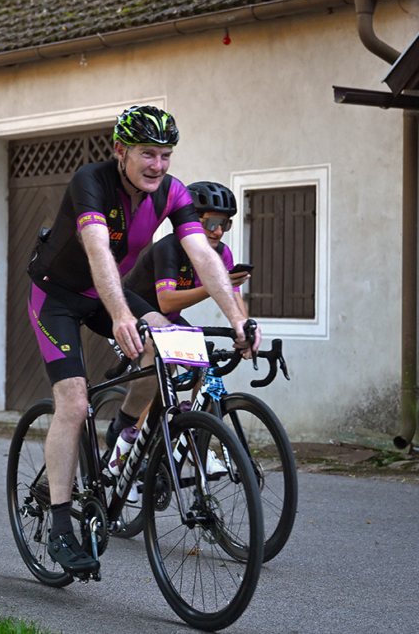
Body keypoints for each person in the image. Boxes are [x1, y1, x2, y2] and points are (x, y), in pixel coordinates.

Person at [25, 106, 260, 575]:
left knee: (167, 339)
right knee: (73, 402)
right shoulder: (91, 181)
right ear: (121, 150)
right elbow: (97, 248)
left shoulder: (172, 192)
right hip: (57, 296)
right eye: (147, 154)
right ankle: (60, 526)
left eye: (165, 155)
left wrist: (238, 319)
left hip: (107, 290)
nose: (158, 165)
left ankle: (127, 427)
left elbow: (204, 255)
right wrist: (119, 315)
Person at [124, 181, 251, 324]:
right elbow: (166, 303)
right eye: (212, 223)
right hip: (133, 319)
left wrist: (246, 327)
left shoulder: (222, 252)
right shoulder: (168, 247)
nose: (219, 232)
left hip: (169, 319)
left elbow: (234, 297)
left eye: (225, 224)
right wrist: (217, 286)